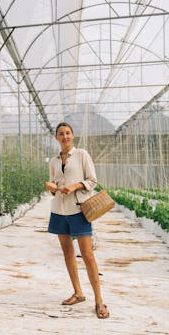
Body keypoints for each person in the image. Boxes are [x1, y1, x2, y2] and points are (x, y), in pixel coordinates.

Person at [44, 122, 109, 319]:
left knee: (88, 255)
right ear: (56, 137)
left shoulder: (82, 155)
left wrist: (74, 187)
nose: (65, 137)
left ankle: (99, 301)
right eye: (61, 134)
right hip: (59, 210)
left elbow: (92, 180)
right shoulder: (54, 161)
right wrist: (51, 186)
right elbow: (55, 182)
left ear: (73, 136)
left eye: (68, 133)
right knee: (67, 253)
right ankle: (78, 293)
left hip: (78, 210)